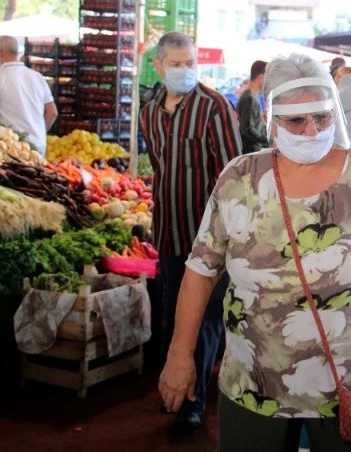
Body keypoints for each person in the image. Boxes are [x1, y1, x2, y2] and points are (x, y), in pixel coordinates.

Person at [158, 53, 351, 451]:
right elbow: (200, 270)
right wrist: (180, 353)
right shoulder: (240, 179)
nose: (312, 129)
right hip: (255, 380)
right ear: (271, 117)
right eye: (295, 120)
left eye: (322, 116)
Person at [140, 31, 242, 432]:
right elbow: (159, 168)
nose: (184, 71)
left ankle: (194, 403)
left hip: (209, 239)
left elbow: (233, 174)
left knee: (203, 322)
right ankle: (178, 387)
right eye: (176, 64)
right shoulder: (150, 112)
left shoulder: (215, 107)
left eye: (190, 64)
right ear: (159, 66)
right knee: (173, 317)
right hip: (167, 232)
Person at [0, 36, 57, 155]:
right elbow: (52, 113)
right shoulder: (37, 76)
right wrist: (40, 133)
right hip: (39, 144)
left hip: (14, 147)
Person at [237, 60, 269, 154]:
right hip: (250, 151)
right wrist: (266, 141)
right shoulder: (249, 98)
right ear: (260, 76)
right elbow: (247, 130)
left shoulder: (251, 96)